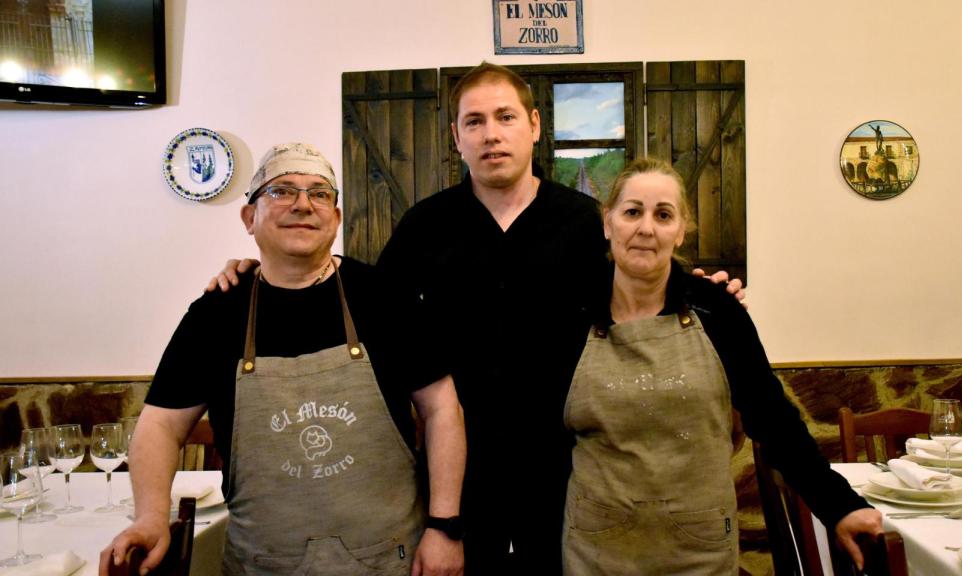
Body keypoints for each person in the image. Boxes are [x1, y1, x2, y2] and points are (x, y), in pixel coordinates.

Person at [209, 62, 744, 575]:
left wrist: (708, 293)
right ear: (455, 136)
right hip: (457, 473)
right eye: (475, 121)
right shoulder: (425, 226)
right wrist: (266, 268)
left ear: (533, 125)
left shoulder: (585, 223)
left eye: (506, 117)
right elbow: (361, 301)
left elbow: (644, 288)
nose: (492, 134)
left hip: (573, 469)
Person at [100, 143, 466, 576]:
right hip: (260, 564)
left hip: (391, 559)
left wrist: (444, 527)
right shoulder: (216, 313)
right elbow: (161, 424)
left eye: (319, 193)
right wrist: (150, 516)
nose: (302, 205)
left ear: (336, 217)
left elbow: (442, 409)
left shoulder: (384, 298)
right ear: (249, 217)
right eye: (282, 191)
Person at [562, 157, 882, 574]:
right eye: (632, 212)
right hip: (596, 547)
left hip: (700, 547)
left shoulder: (717, 311)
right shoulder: (569, 314)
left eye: (663, 215)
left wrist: (839, 506)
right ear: (608, 223)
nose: (645, 228)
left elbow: (775, 421)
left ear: (680, 232)